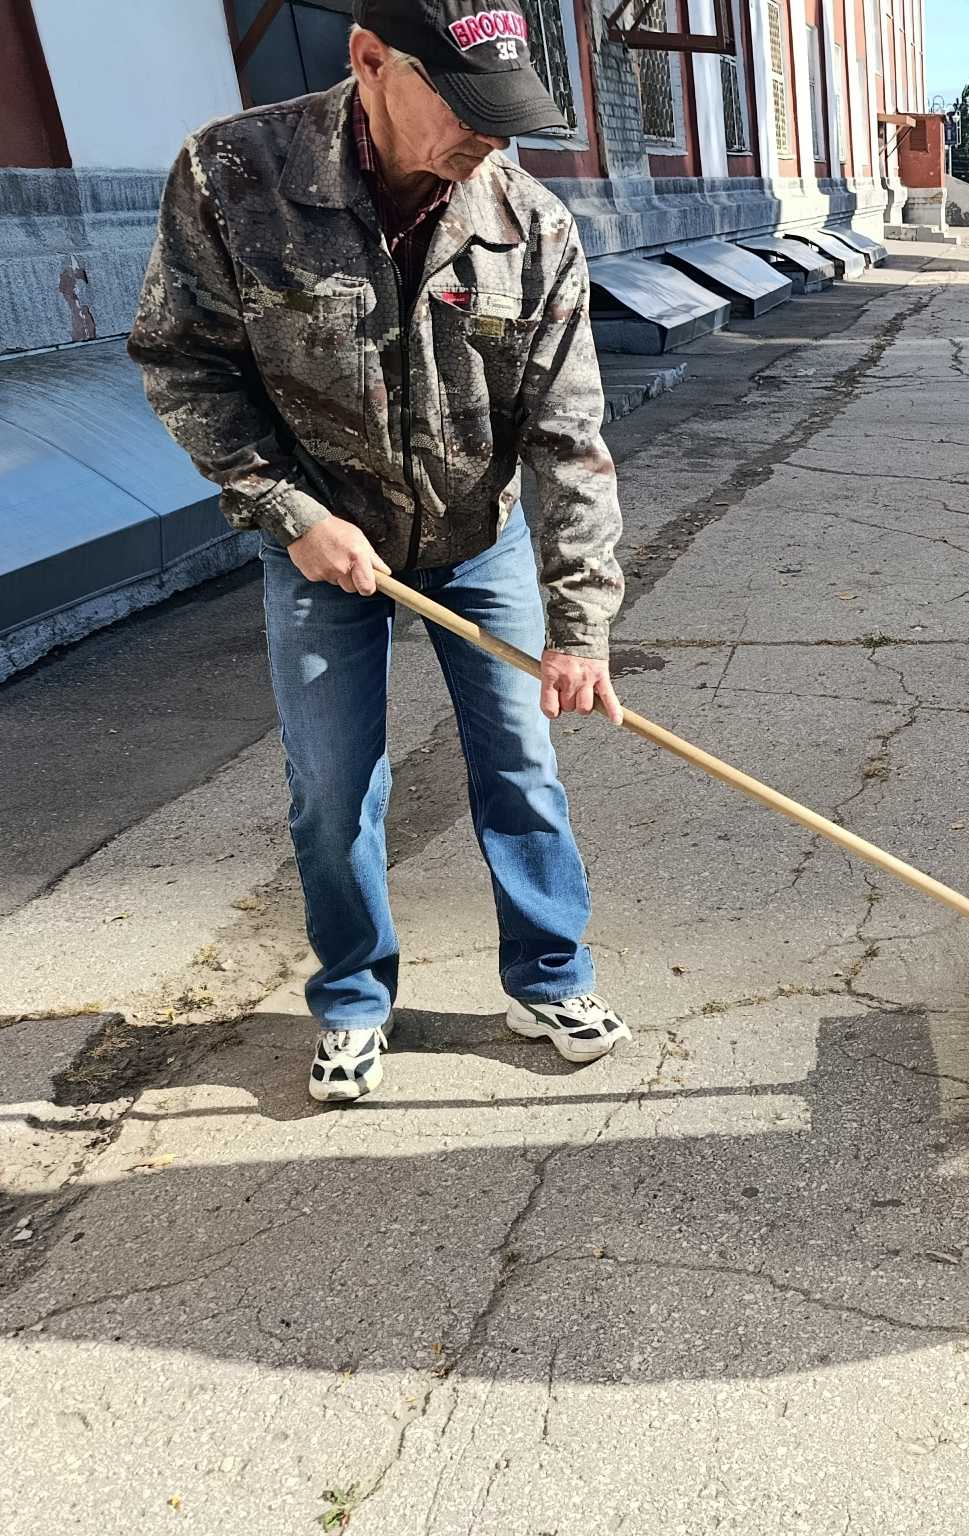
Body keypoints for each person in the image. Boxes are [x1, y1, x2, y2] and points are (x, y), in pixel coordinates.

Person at [128, 0, 632, 1104]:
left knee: (522, 765)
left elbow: (569, 438)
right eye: (466, 108)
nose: (488, 138)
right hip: (319, 538)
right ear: (370, 62)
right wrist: (287, 511)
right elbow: (184, 362)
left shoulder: (530, 226)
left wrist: (582, 622)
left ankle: (549, 974)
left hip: (475, 536)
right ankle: (355, 997)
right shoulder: (233, 177)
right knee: (331, 785)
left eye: (506, 114)